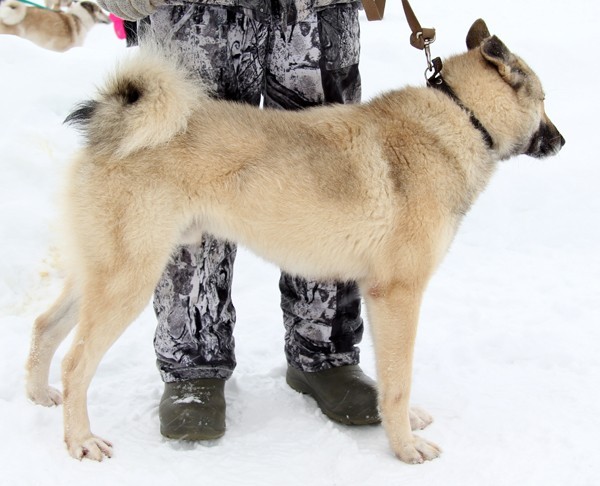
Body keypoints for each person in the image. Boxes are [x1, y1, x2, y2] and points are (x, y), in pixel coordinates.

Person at [96, 0, 380, 440]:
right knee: (189, 173)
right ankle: (193, 363)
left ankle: (323, 352)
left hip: (314, 10)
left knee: (325, 180)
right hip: (193, 13)